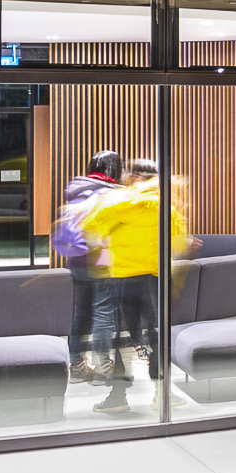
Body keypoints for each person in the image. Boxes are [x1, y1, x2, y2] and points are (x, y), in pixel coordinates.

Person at [84, 157, 183, 413]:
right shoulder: (165, 206)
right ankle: (162, 393)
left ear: (130, 177)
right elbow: (179, 241)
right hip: (154, 280)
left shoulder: (115, 204)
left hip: (123, 280)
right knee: (156, 336)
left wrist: (107, 247)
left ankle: (118, 396)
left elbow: (90, 231)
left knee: (120, 338)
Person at [52, 153, 122, 381]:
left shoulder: (77, 189)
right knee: (103, 313)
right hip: (102, 261)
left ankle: (77, 367)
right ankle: (104, 368)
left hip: (77, 260)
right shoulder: (110, 194)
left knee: (80, 314)